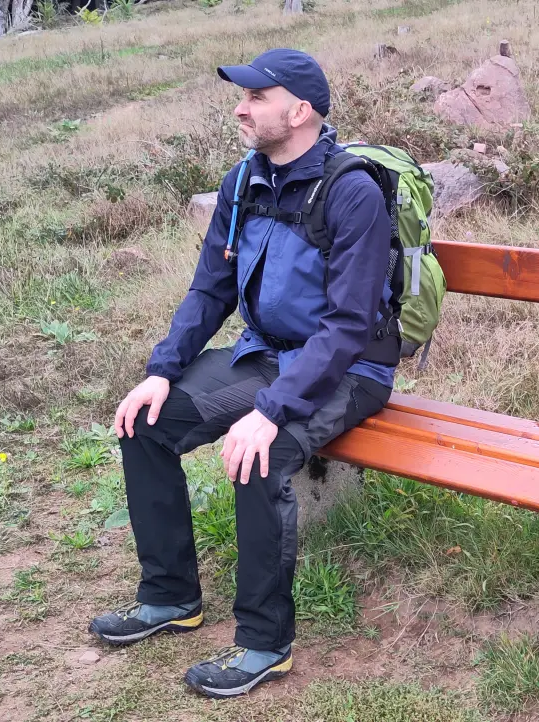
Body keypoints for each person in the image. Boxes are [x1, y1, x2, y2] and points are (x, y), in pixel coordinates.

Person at [87, 48, 400, 699]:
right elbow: (209, 292)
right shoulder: (243, 183)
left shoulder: (353, 192)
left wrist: (272, 410)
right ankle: (170, 596)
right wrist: (160, 370)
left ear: (301, 109)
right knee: (144, 423)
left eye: (257, 95)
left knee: (259, 453)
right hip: (267, 354)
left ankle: (263, 643)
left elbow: (346, 327)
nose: (241, 105)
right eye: (243, 94)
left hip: (349, 369)